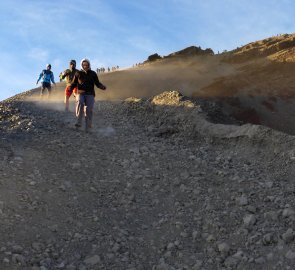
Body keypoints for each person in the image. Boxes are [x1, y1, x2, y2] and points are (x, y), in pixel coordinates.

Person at [69, 58, 106, 132]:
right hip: (80, 93)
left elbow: (97, 83)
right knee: (79, 102)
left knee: (89, 109)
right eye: (83, 65)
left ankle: (88, 126)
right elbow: (74, 83)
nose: (85, 66)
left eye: (86, 65)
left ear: (89, 65)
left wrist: (102, 87)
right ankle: (78, 122)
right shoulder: (78, 73)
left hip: (90, 94)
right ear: (81, 65)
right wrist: (70, 87)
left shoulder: (93, 73)